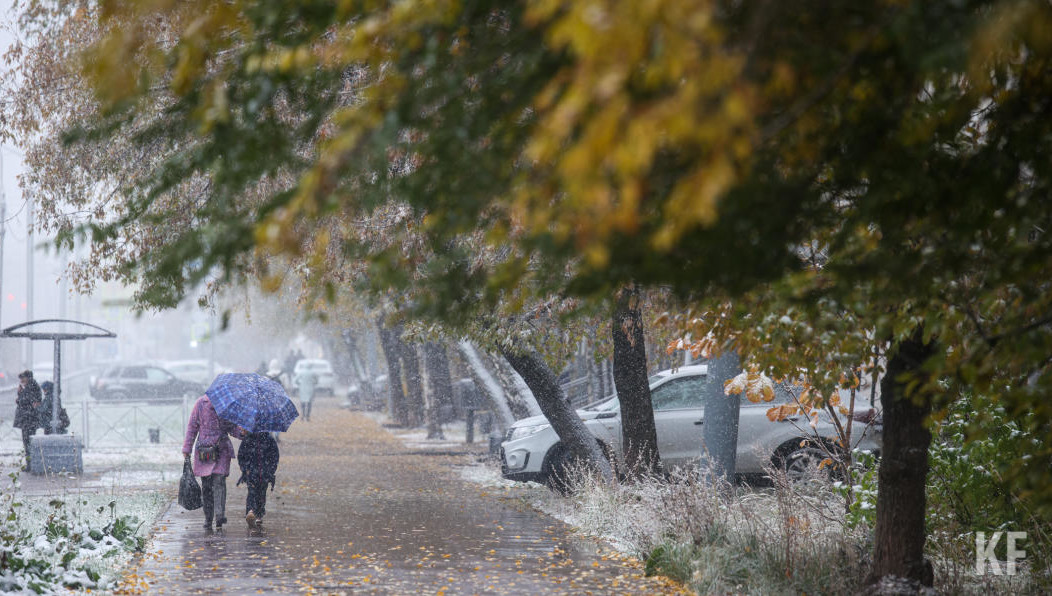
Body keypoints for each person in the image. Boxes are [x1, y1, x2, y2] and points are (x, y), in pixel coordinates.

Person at [182, 394, 242, 531]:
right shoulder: (201, 403)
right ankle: (208, 518)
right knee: (207, 486)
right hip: (205, 451)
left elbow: (232, 427)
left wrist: (241, 433)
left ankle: (220, 516)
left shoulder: (228, 406)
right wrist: (187, 448)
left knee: (219, 480)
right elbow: (192, 426)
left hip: (221, 449)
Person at [236, 431, 279, 529]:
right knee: (252, 491)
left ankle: (259, 514)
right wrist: (245, 469)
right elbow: (241, 456)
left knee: (261, 493)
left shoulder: (269, 440)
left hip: (265, 474)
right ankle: (250, 511)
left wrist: (271, 470)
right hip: (251, 473)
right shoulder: (248, 439)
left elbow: (275, 456)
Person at [14, 371, 42, 471]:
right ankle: (30, 464)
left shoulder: (31, 387)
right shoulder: (31, 386)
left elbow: (27, 401)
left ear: (28, 378)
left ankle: (31, 465)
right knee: (28, 443)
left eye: (23, 378)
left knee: (28, 443)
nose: (21, 381)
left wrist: (20, 394)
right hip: (28, 419)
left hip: (28, 420)